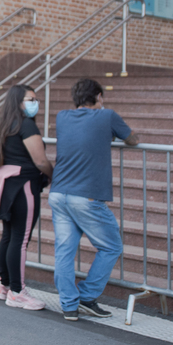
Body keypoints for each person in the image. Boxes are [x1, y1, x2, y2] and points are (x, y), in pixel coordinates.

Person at [50, 78, 139, 321]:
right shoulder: (107, 116)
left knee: (64, 251)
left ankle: (69, 305)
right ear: (98, 96)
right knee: (111, 246)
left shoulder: (62, 117)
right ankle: (87, 297)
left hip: (58, 193)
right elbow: (132, 139)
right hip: (86, 196)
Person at [0, 84, 53, 310]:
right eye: (30, 99)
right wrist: (54, 176)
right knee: (19, 240)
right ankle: (17, 291)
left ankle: (5, 286)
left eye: (35, 99)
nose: (35, 103)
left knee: (8, 236)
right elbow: (40, 161)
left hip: (8, 185)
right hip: (23, 186)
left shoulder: (5, 125)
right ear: (18, 101)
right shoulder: (27, 125)